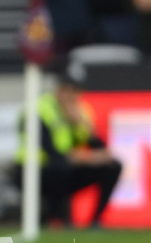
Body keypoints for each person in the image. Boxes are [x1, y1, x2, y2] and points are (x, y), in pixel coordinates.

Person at [15, 75, 122, 228]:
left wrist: (80, 123)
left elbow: (96, 146)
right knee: (60, 167)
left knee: (113, 166)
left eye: (75, 92)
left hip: (64, 167)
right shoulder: (39, 109)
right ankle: (54, 218)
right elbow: (50, 150)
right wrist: (87, 158)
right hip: (33, 169)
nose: (70, 97)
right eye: (67, 91)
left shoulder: (79, 110)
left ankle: (95, 221)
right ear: (58, 91)